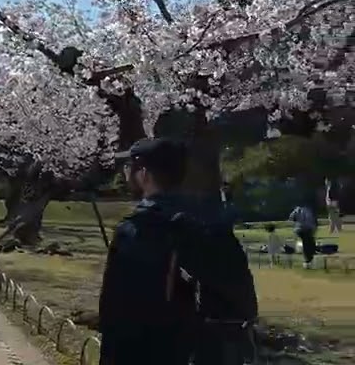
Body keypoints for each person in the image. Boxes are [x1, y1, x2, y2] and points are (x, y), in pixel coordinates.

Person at [98, 138, 258, 365]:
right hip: (206, 351)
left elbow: (118, 310)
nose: (125, 173)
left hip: (152, 352)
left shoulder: (136, 230)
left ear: (144, 174)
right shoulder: (212, 223)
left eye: (128, 167)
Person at [289, 199, 319, 268]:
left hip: (299, 229)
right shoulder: (309, 210)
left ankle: (308, 260)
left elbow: (291, 217)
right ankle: (308, 261)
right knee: (308, 244)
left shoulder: (297, 209)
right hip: (307, 229)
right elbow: (313, 221)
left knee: (308, 244)